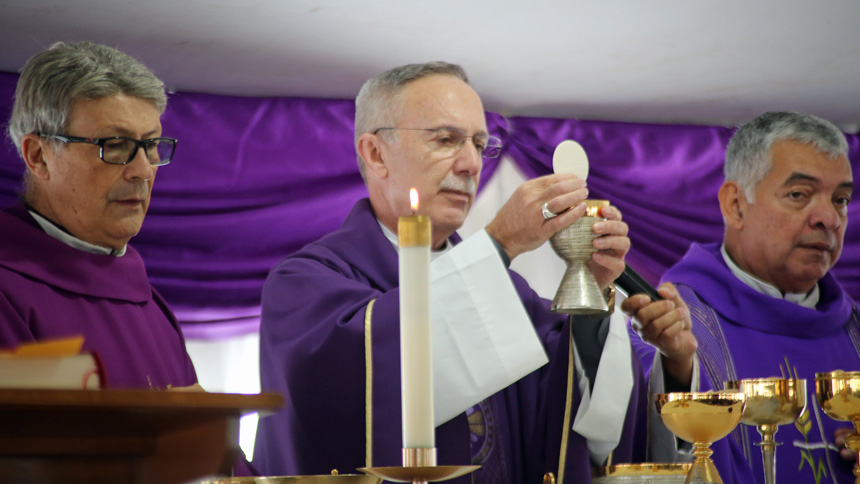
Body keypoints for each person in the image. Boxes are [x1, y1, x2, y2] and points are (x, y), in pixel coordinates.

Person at [254, 62, 655, 483]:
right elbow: (353, 394)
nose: (470, 164)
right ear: (376, 154)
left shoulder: (508, 295)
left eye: (480, 144)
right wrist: (502, 242)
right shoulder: (302, 284)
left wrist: (589, 289)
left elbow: (578, 421)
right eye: (446, 140)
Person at [623, 111, 857, 483]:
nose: (829, 218)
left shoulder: (855, 330)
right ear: (735, 204)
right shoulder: (667, 326)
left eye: (841, 199)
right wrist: (678, 366)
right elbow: (648, 455)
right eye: (799, 195)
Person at [0, 41, 196, 390]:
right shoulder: (8, 289)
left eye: (150, 144)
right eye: (115, 145)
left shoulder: (152, 304)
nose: (143, 171)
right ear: (39, 156)